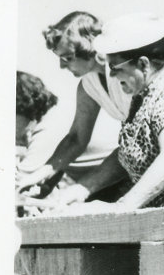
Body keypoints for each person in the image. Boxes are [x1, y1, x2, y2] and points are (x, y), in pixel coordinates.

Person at [53, 13, 164, 212]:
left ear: (143, 64)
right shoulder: (143, 98)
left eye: (115, 67)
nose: (112, 75)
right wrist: (82, 189)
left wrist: (121, 208)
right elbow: (128, 155)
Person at [16, 12, 131, 199]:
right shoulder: (88, 85)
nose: (62, 66)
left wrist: (82, 188)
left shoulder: (127, 76)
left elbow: (135, 144)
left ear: (89, 49)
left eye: (68, 57)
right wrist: (42, 174)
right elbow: (76, 138)